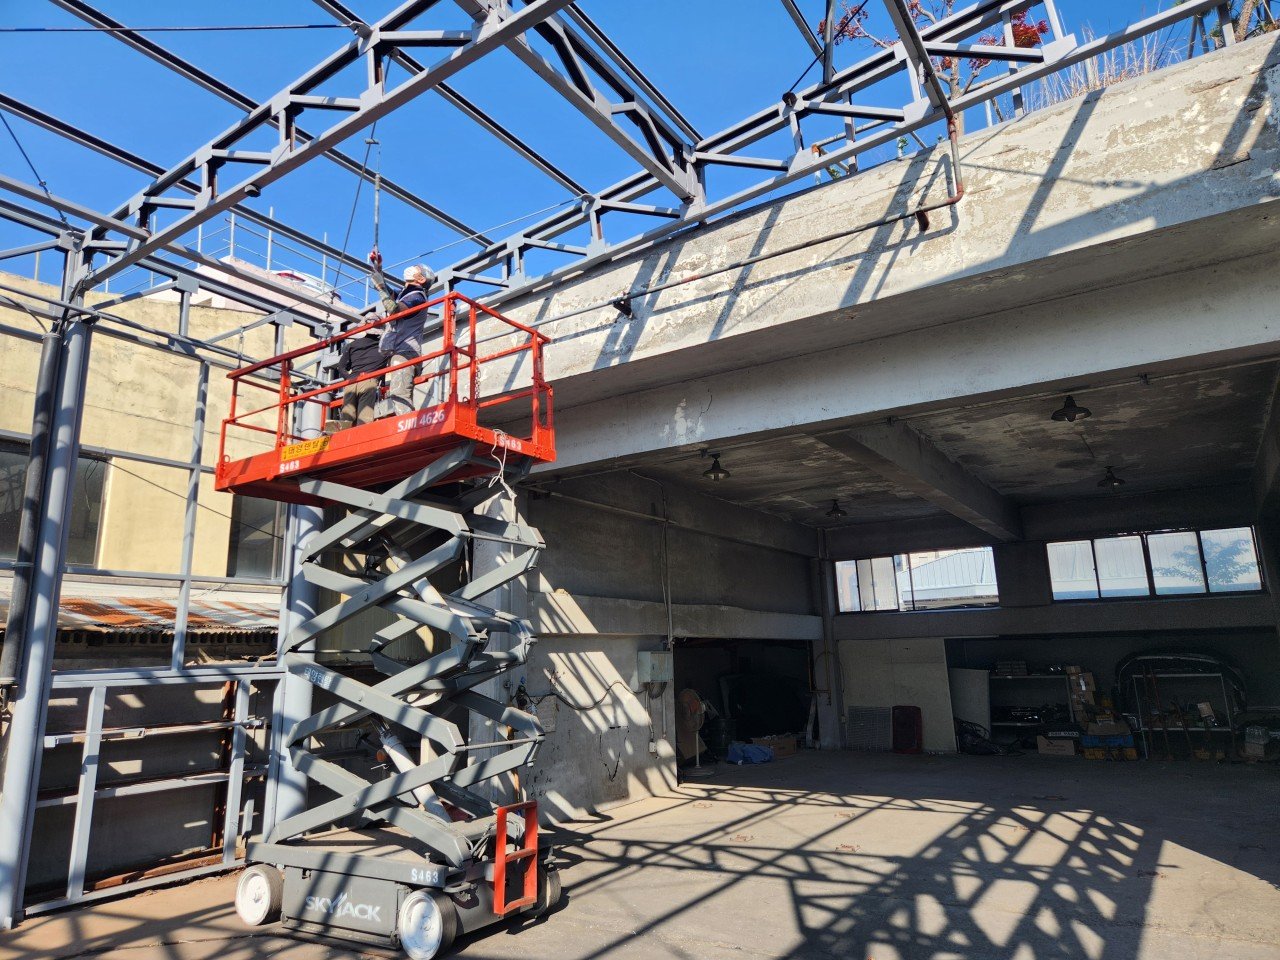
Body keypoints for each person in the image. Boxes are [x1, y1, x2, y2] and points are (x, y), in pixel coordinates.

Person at [369, 254, 436, 416]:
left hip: (406, 353)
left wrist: (380, 287)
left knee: (399, 394)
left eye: (417, 269)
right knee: (399, 394)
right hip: (403, 352)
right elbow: (387, 291)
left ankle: (407, 425)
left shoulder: (417, 296)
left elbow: (394, 309)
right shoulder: (406, 294)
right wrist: (378, 268)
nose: (413, 268)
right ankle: (407, 422)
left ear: (421, 279)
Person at [324, 322, 386, 434]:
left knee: (346, 417)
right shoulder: (383, 347)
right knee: (364, 419)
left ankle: (333, 436)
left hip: (352, 382)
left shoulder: (353, 345)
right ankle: (361, 440)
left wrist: (349, 378)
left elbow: (341, 367)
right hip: (369, 381)